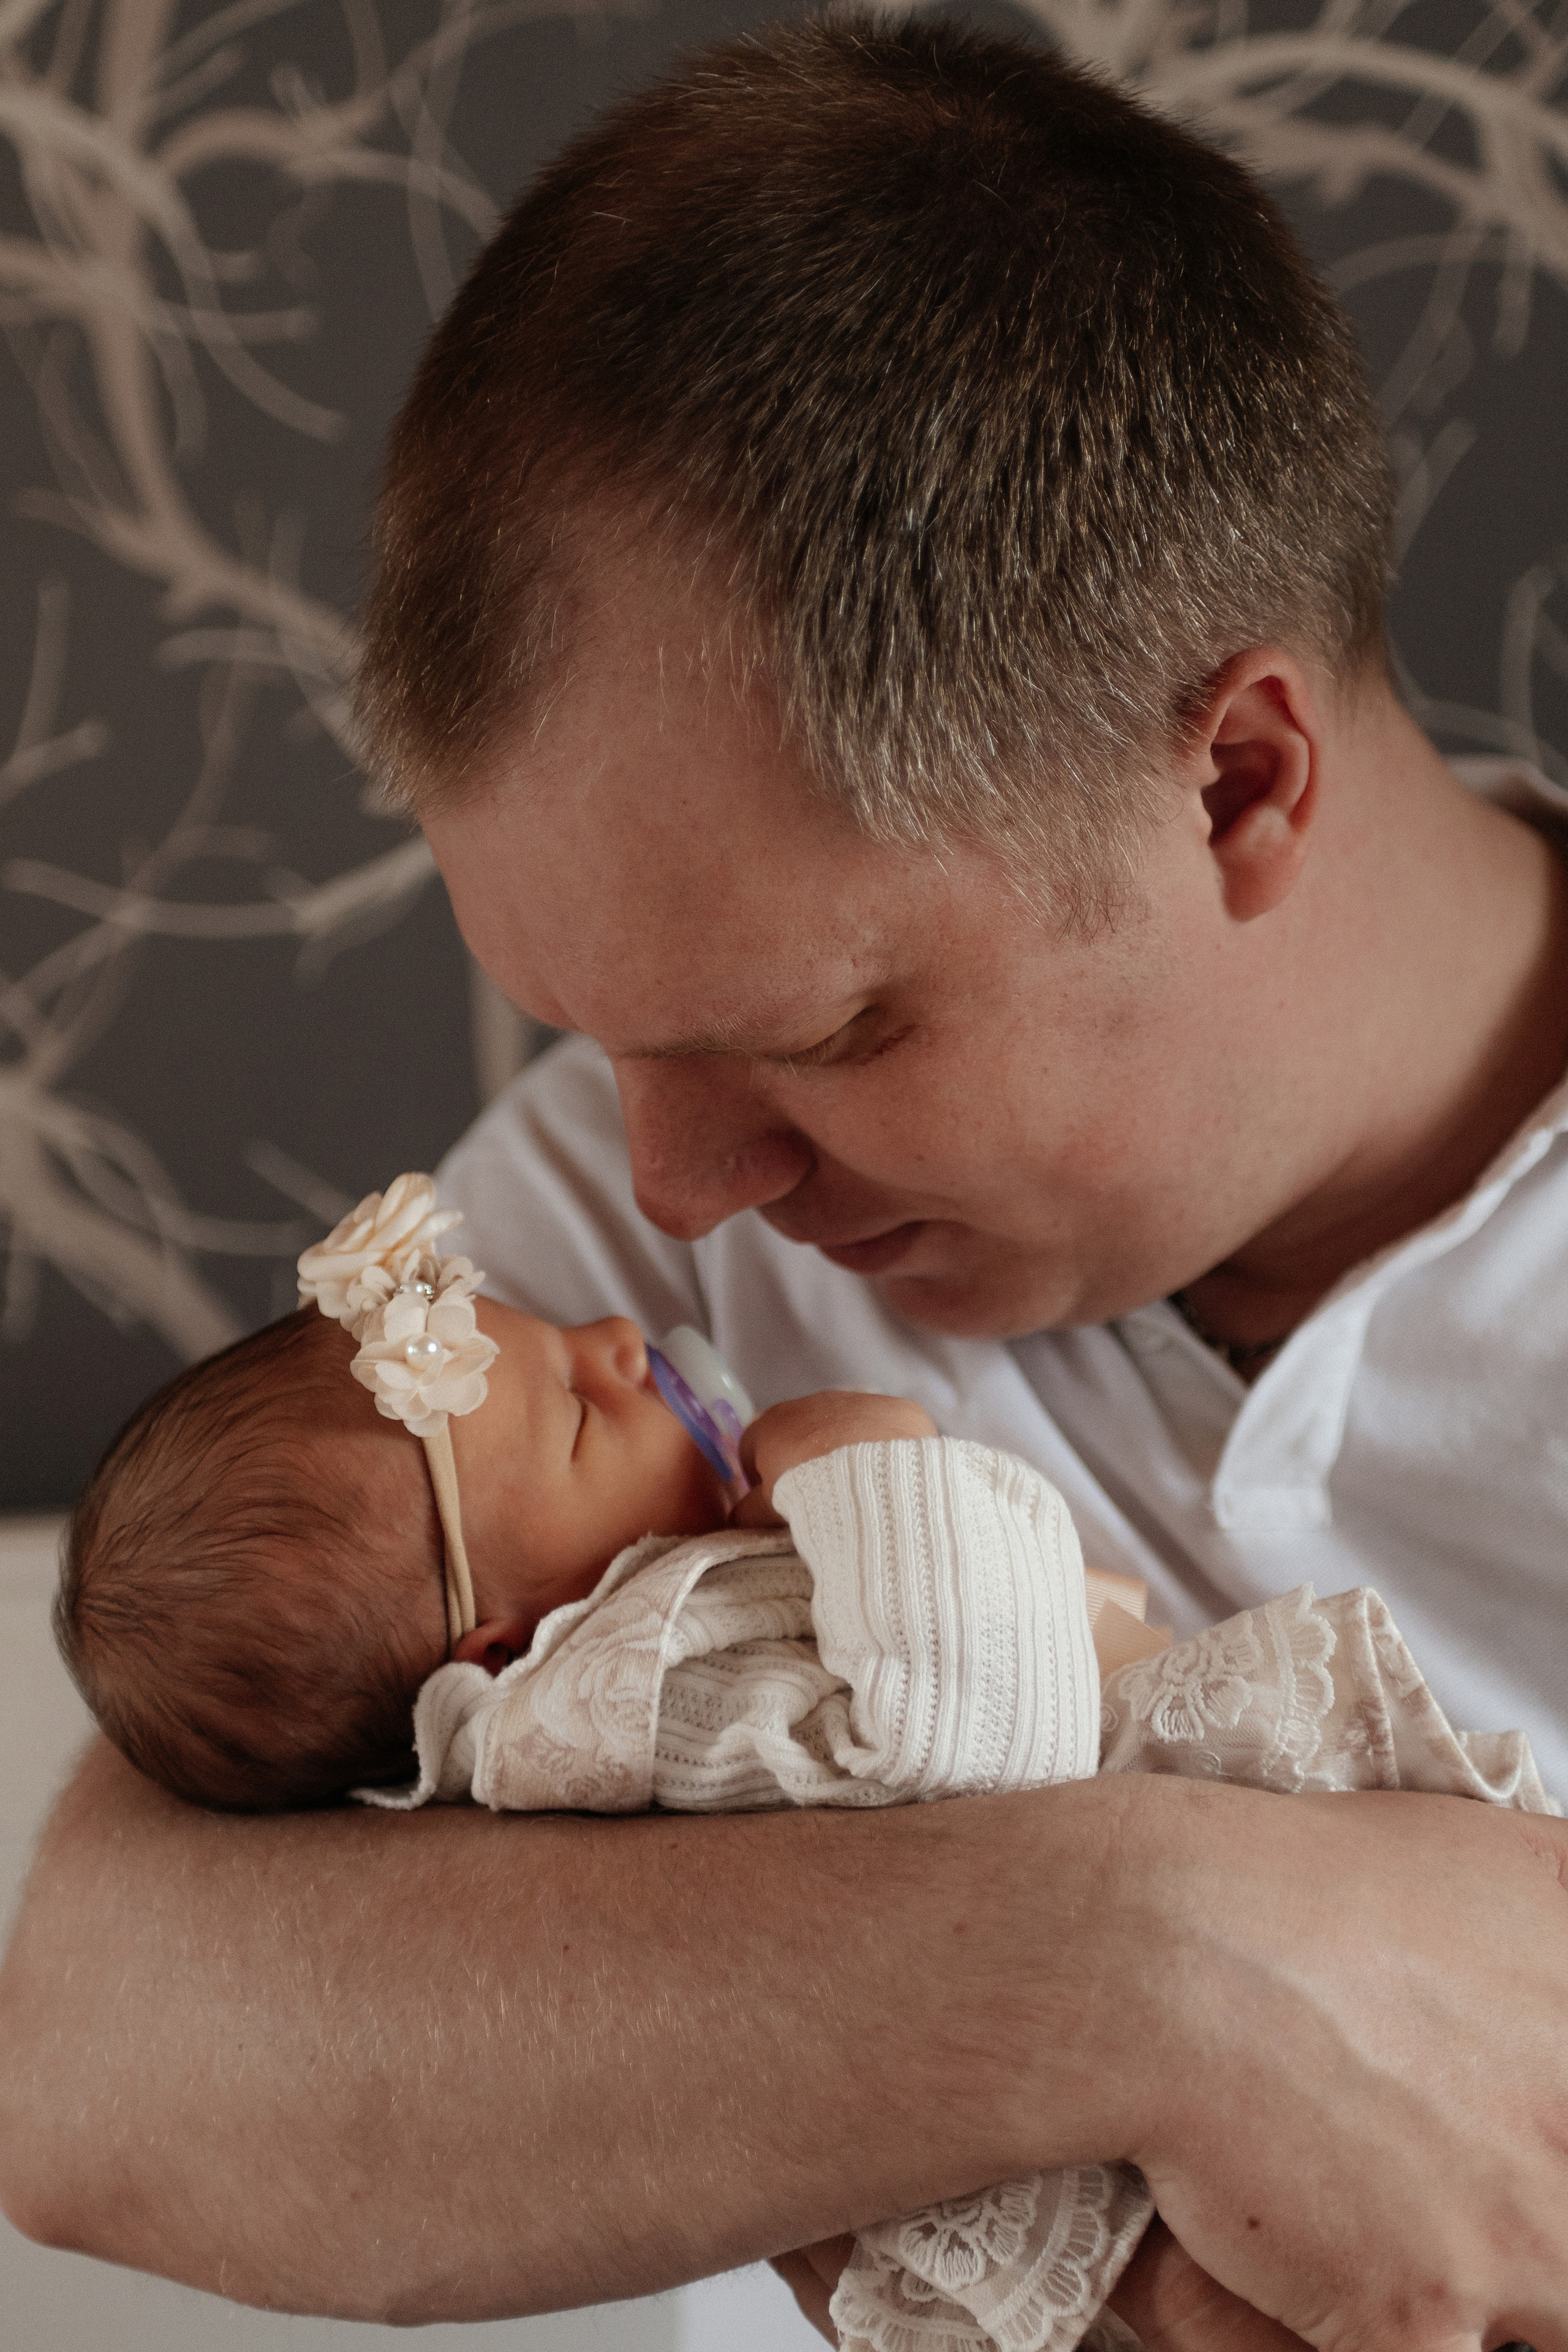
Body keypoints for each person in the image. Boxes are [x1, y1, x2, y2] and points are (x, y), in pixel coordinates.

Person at [3, 17, 1567, 2352]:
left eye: (826, 1033)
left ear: (1239, 782)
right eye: (598, 1036)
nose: (674, 1186)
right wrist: (1165, 1956)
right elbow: (106, 2067)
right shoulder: (607, 1305)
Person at [49, 1173, 1556, 2352]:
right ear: (501, 1653)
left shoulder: (642, 1622)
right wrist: (869, 1470)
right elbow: (989, 1747)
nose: (625, 1340)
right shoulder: (640, 1692)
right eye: (582, 1411)